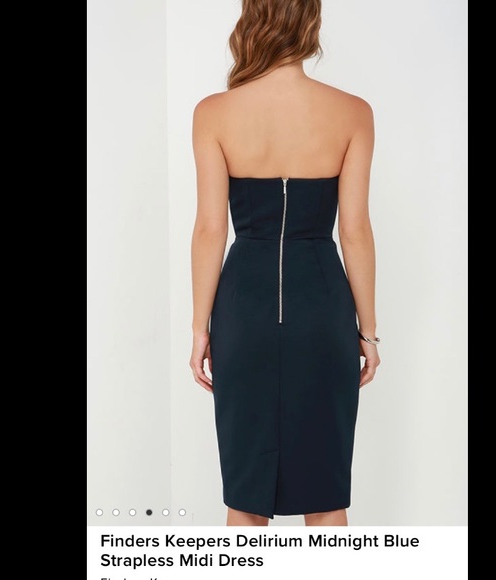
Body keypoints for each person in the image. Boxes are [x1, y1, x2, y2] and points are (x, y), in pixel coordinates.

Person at [189, 0, 380, 527]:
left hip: (242, 312)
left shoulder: (213, 113)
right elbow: (355, 231)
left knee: (245, 498)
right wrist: (368, 332)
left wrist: (201, 329)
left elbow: (209, 229)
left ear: (252, 18)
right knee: (326, 497)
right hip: (323, 311)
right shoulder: (353, 112)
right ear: (310, 21)